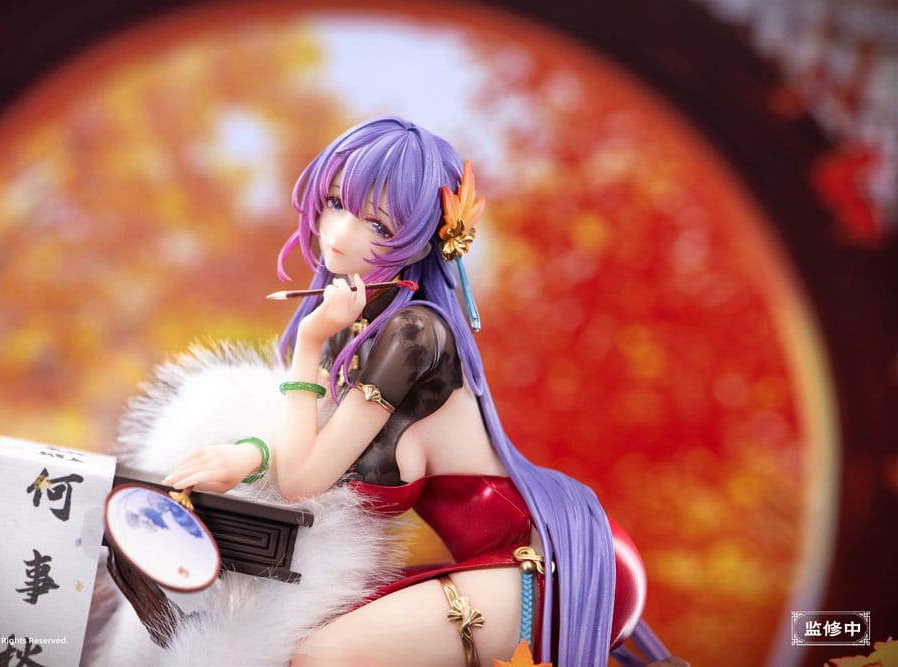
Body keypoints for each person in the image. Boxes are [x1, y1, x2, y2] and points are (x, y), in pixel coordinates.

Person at [163, 117, 671, 667]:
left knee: (320, 657)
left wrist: (308, 343)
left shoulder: (414, 335)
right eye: (335, 202)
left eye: (377, 225)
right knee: (290, 640)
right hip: (503, 559)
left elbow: (302, 481)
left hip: (558, 562)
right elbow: (313, 446)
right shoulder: (357, 327)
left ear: (425, 239)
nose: (340, 234)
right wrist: (249, 456)